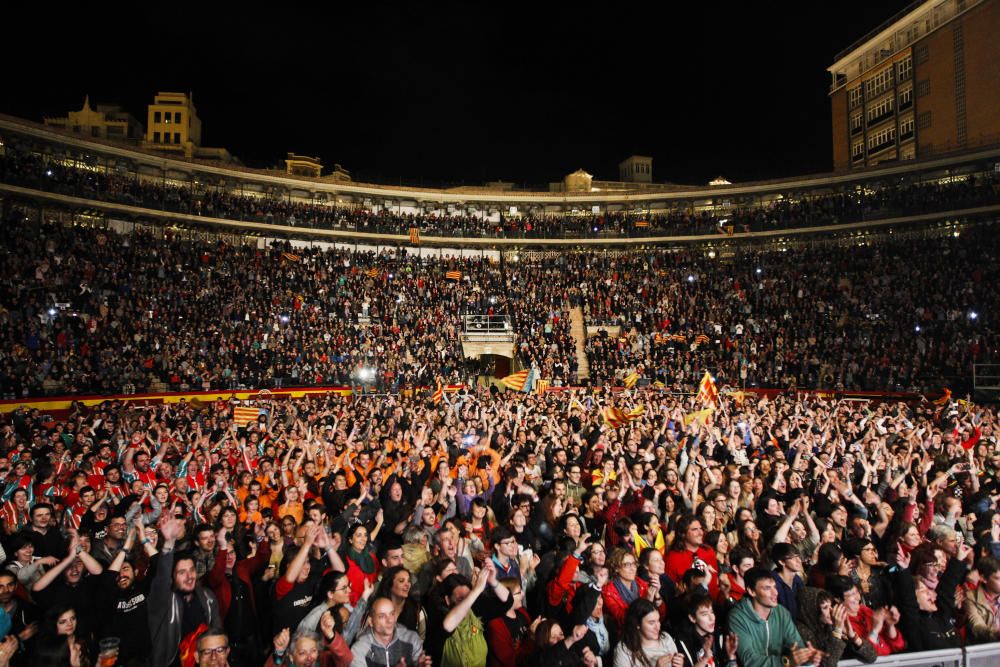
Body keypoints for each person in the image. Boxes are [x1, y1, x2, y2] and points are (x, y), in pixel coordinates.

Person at [148, 518, 222, 667]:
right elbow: (161, 579)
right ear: (172, 578)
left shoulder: (207, 597)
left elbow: (217, 633)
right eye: (182, 572)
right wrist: (169, 543)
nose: (189, 577)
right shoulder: (163, 602)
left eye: (192, 570)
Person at [727, 568, 819, 667]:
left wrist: (808, 657)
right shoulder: (737, 617)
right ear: (751, 591)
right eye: (767, 588)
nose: (775, 592)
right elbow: (750, 660)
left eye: (774, 586)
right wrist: (785, 662)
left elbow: (796, 645)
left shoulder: (781, 612)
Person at [794, 587, 875, 666]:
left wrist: (853, 636)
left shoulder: (829, 626)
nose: (831, 611)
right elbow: (829, 664)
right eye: (825, 607)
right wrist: (837, 630)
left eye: (831, 606)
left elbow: (871, 657)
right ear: (812, 611)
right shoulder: (801, 631)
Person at [349, 597, 431, 667]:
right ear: (370, 621)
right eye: (382, 616)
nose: (390, 620)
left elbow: (419, 662)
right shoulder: (359, 648)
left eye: (392, 614)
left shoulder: (411, 639)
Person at [675, 591, 739, 667]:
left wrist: (731, 656)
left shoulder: (719, 635)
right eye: (705, 614)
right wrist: (705, 658)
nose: (712, 618)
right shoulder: (683, 641)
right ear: (692, 618)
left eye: (712, 612)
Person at [612, 598, 682, 667]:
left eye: (658, 621)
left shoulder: (666, 639)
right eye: (651, 623)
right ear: (637, 624)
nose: (658, 627)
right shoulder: (624, 651)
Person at [965, 555, 1000, 643]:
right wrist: (997, 634)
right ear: (983, 578)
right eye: (998, 578)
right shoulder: (970, 598)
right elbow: (977, 627)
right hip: (983, 649)